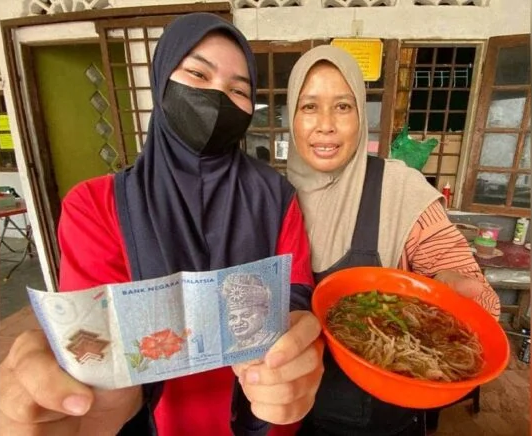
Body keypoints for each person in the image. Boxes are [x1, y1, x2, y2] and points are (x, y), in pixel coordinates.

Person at [0, 13, 324, 436]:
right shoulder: (96, 206)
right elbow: (98, 346)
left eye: (239, 90)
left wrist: (298, 354)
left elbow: (295, 297)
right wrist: (85, 397)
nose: (217, 97)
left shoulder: (275, 196)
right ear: (161, 80)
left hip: (264, 418)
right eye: (197, 73)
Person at [285, 45, 500, 436]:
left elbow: (468, 285)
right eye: (309, 107)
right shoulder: (270, 195)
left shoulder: (398, 187)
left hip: (383, 419)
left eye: (344, 107)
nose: (326, 125)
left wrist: (452, 286)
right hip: (289, 417)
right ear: (292, 116)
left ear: (361, 116)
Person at [222, 274, 280, 352]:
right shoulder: (231, 351)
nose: (238, 322)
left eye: (246, 315)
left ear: (265, 312)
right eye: (233, 317)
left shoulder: (278, 340)